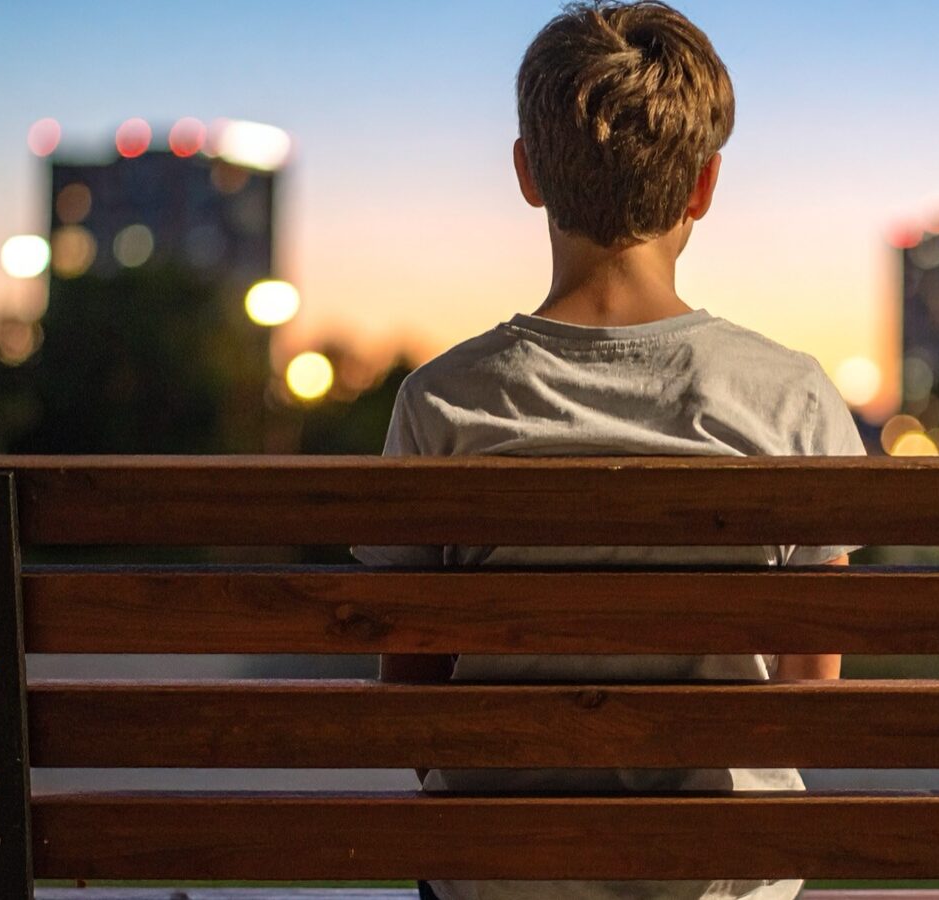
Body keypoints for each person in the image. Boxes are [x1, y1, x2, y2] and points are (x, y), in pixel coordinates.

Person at [350, 2, 866, 898]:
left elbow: (412, 707)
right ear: (703, 187)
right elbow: (806, 704)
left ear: (526, 174)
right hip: (720, 881)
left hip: (499, 881)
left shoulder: (441, 403)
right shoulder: (792, 397)